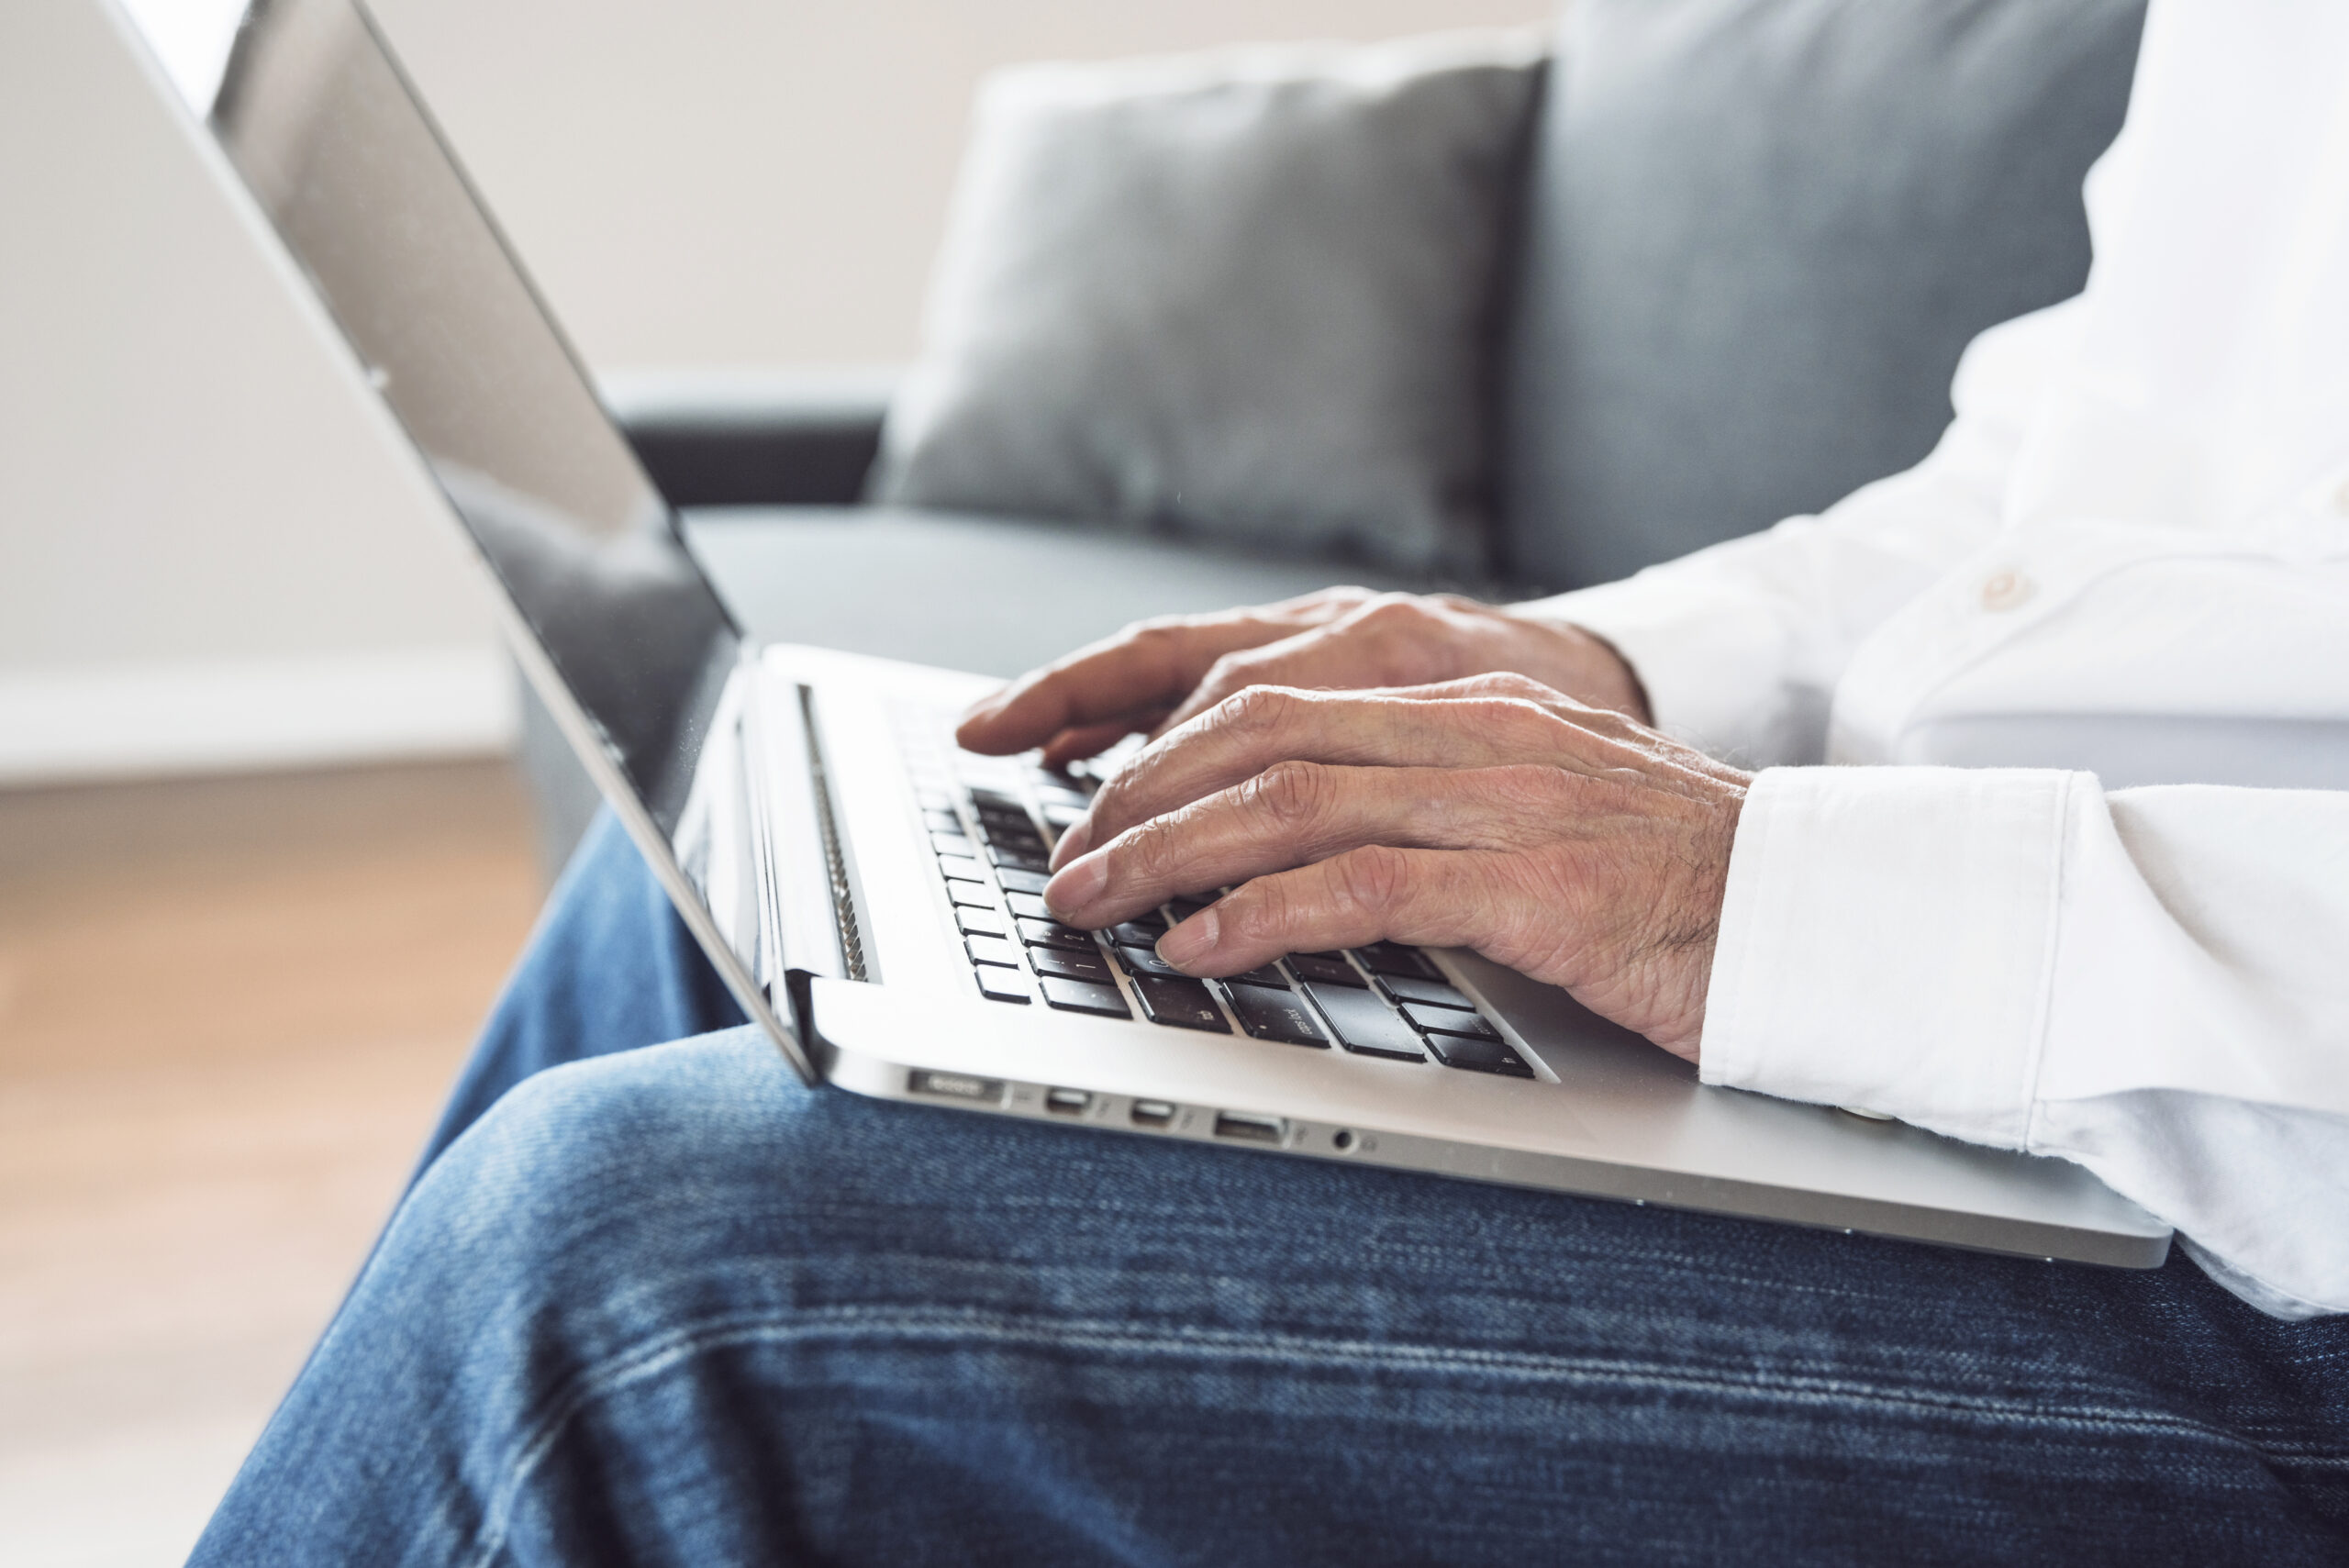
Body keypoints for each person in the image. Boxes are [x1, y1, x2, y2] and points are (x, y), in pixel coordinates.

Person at [192, 2, 2348, 1562]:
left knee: (638, 1269)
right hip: (1989, 1039)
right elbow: (2068, 481)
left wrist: (1741, 905)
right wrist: (1595, 667)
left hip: (2270, 1257)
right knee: (728, 865)